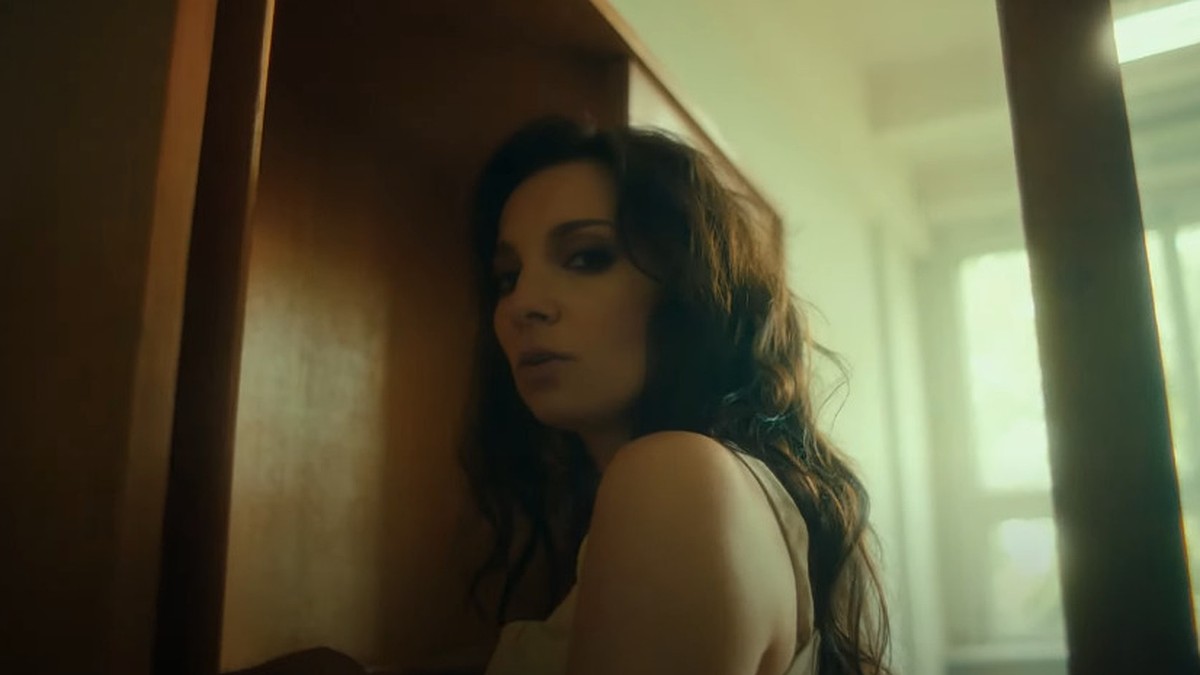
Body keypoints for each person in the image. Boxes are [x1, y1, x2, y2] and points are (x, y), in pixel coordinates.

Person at [455, 116, 892, 675]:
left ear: (688, 287)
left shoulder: (674, 474)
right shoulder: (692, 489)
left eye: (587, 257)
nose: (522, 304)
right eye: (508, 277)